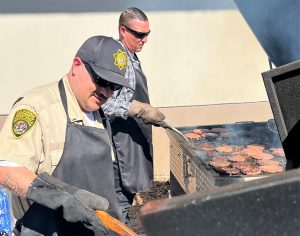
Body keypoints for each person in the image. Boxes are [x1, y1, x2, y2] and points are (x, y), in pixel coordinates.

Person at [0, 35, 131, 236]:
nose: (106, 91)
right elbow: (6, 168)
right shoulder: (37, 107)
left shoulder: (98, 113)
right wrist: (63, 196)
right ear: (76, 65)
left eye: (114, 86)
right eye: (101, 80)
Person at [102, 7, 166, 225]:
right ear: (123, 30)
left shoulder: (132, 57)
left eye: (147, 34)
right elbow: (104, 103)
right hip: (120, 150)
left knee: (126, 205)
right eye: (139, 34)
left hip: (132, 143)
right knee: (118, 210)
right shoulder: (116, 58)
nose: (144, 40)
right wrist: (138, 108)